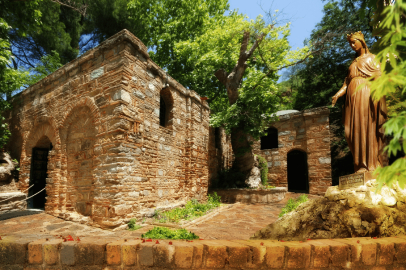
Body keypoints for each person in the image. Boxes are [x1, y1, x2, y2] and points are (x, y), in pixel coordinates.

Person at [332, 31, 387, 173]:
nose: (351, 45)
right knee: (351, 131)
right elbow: (346, 83)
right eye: (350, 43)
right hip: (352, 99)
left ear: (361, 42)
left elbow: (378, 78)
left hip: (365, 94)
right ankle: (359, 165)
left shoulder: (373, 58)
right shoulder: (353, 63)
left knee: (365, 126)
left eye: (353, 42)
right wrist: (338, 94)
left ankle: (370, 165)